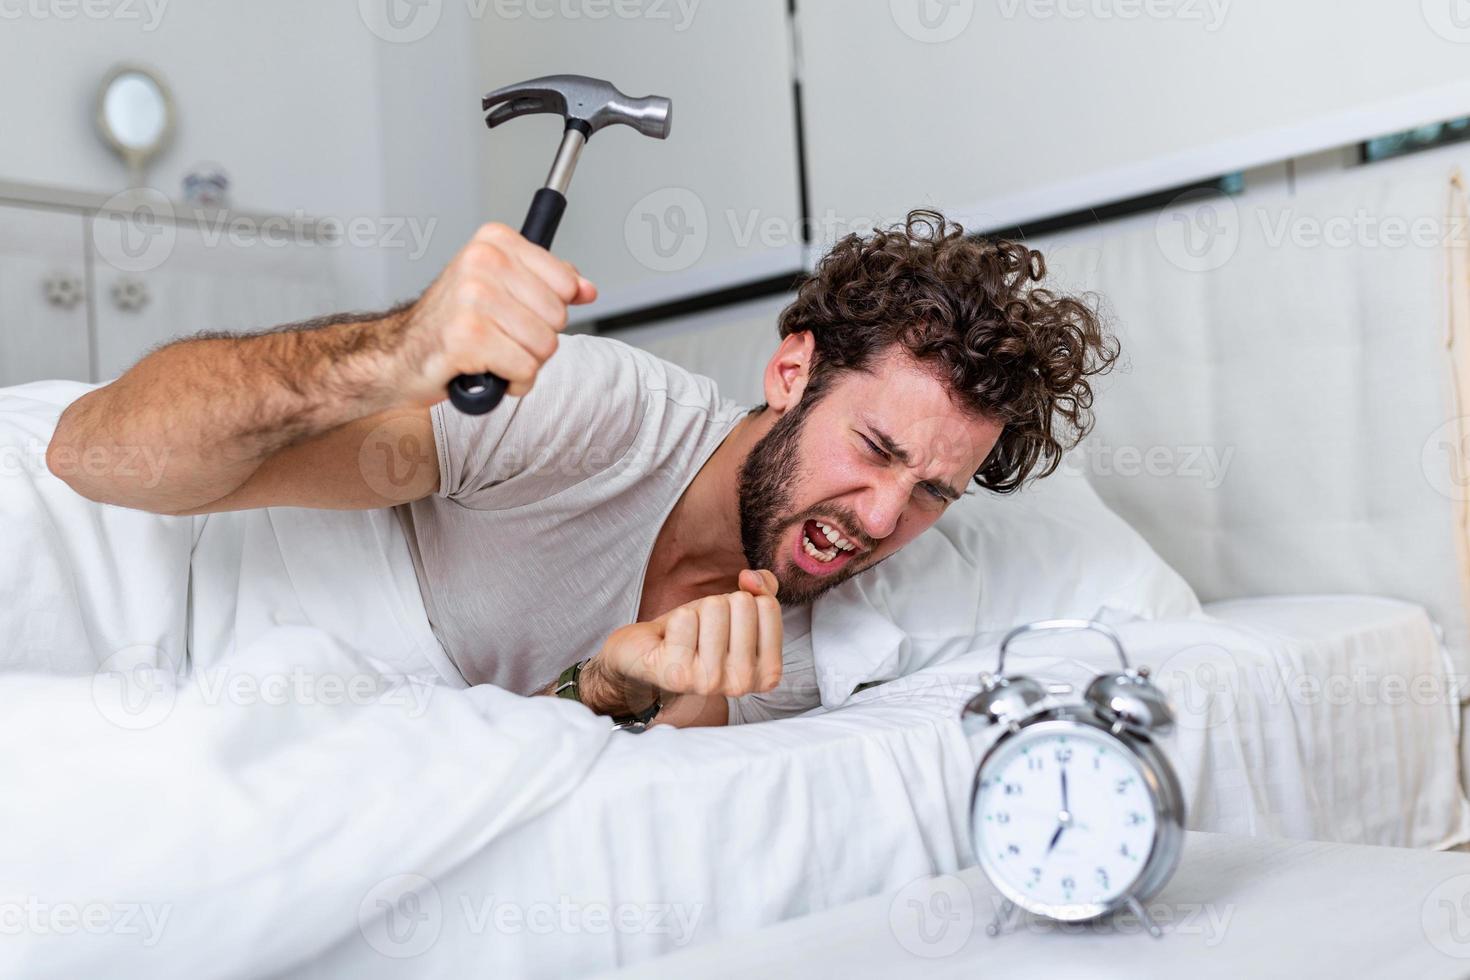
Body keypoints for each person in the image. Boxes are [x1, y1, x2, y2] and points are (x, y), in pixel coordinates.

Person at [46, 210, 1117, 728]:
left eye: (934, 491)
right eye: (877, 449)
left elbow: (592, 767)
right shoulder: (594, 416)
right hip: (104, 551)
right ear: (791, 370)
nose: (886, 516)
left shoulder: (811, 654)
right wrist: (392, 351)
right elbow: (95, 453)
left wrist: (614, 686)